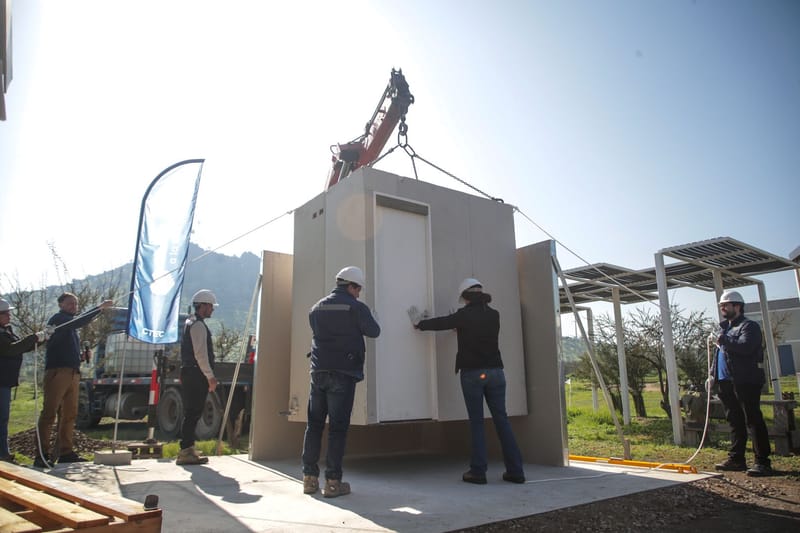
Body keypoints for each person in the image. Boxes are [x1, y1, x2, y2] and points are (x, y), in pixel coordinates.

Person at [414, 278, 525, 485]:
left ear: (465, 297)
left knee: (477, 423)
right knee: (502, 420)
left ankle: (478, 472)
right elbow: (479, 330)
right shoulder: (494, 315)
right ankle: (516, 471)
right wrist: (461, 328)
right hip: (496, 373)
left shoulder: (463, 315)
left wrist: (420, 324)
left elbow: (442, 323)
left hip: (473, 374)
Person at [302, 266, 380, 498]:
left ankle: (309, 479)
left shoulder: (316, 308)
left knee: (314, 425)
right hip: (343, 374)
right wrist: (372, 315)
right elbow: (374, 331)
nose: (359, 293)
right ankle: (333, 482)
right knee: (337, 429)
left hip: (318, 372)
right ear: (352, 286)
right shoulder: (356, 307)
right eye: (359, 289)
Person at [34, 293, 113, 468]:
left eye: (75, 303)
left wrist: (81, 356)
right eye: (70, 303)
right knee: (50, 413)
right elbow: (79, 321)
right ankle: (41, 453)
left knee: (70, 414)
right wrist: (99, 308)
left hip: (73, 372)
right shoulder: (59, 319)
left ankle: (65, 452)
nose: (74, 306)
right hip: (58, 371)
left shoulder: (70, 327)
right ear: (61, 304)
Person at [710, 289, 772, 476]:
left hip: (745, 380)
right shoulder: (724, 329)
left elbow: (745, 347)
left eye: (726, 305)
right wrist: (712, 375)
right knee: (734, 421)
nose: (722, 308)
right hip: (725, 382)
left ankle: (762, 461)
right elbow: (718, 356)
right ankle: (737, 459)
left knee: (752, 419)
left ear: (737, 306)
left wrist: (724, 339)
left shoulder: (749, 326)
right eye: (721, 305)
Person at [0, 298, 46, 463]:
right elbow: (11, 350)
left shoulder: (6, 332)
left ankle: (3, 453)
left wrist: (41, 339)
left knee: (3, 419)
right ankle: (2, 454)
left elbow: (21, 347)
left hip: (5, 382)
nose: (9, 315)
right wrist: (33, 338)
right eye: (5, 313)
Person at [177, 289, 219, 466]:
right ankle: (186, 450)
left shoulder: (190, 322)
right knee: (193, 412)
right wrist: (210, 376)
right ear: (202, 306)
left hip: (191, 372)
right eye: (210, 306)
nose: (212, 310)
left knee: (192, 412)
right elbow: (200, 354)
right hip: (196, 374)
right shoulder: (198, 325)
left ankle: (188, 448)